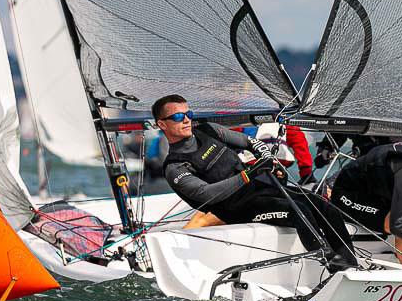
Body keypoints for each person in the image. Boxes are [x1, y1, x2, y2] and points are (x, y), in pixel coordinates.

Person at [153, 94, 357, 270]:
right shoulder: (175, 167)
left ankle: (349, 259)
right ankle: (327, 260)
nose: (186, 120)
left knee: (321, 204)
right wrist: (249, 174)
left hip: (261, 190)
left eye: (189, 114)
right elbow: (206, 194)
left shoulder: (209, 131)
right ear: (162, 124)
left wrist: (268, 159)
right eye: (178, 117)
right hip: (241, 209)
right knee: (299, 209)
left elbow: (250, 142)